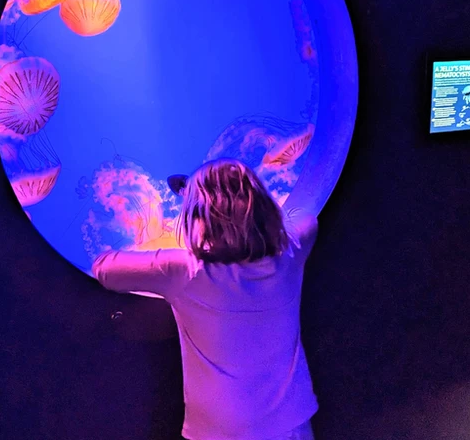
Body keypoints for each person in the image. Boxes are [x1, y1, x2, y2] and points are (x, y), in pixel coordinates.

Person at [92, 158, 319, 440]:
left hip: (218, 433)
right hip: (291, 426)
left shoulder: (184, 271)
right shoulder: (290, 253)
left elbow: (104, 267)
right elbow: (305, 216)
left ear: (199, 219)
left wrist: (176, 247)